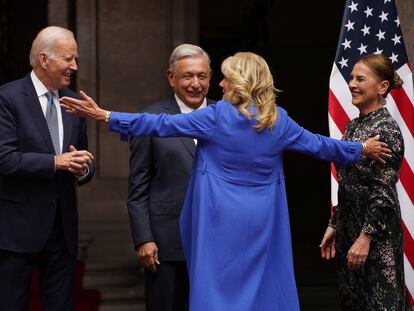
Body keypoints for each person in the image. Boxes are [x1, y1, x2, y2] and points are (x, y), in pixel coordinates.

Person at [60, 52, 390, 310]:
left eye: (226, 79)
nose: (219, 85)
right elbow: (320, 145)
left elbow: (160, 124)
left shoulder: (217, 116)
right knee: (260, 284)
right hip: (262, 220)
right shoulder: (279, 119)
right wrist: (360, 147)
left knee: (217, 286)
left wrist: (105, 116)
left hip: (218, 218)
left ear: (242, 82)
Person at [0, 26, 94, 310]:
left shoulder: (73, 104)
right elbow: (4, 158)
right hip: (17, 230)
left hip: (62, 232)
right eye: (69, 59)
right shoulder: (8, 97)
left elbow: (83, 160)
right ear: (44, 59)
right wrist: (56, 162)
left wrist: (83, 168)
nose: (74, 67)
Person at [320, 54, 410, 310]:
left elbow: (383, 192)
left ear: (382, 87)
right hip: (350, 233)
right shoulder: (352, 126)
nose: (351, 84)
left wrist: (365, 238)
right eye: (350, 78)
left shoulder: (386, 129)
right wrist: (334, 223)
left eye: (360, 78)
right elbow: (349, 182)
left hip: (375, 238)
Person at [127, 43, 214, 311]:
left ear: (210, 76)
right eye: (187, 76)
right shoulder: (150, 119)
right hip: (167, 245)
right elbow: (138, 186)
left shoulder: (228, 116)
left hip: (217, 243)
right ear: (171, 77)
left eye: (201, 76)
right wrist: (144, 238)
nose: (195, 84)